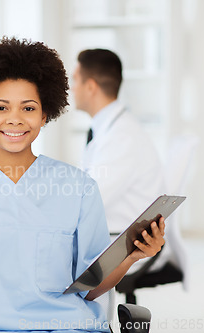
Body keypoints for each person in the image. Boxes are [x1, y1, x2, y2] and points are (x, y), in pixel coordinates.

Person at [0, 38, 165, 333]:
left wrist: (131, 256)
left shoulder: (79, 187)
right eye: (1, 107)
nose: (15, 119)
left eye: (28, 108)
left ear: (44, 114)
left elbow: (89, 288)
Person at [72, 49, 165, 235]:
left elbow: (87, 202)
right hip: (113, 235)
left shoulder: (121, 137)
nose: (71, 88)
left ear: (90, 87)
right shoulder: (112, 129)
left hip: (122, 243)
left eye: (74, 80)